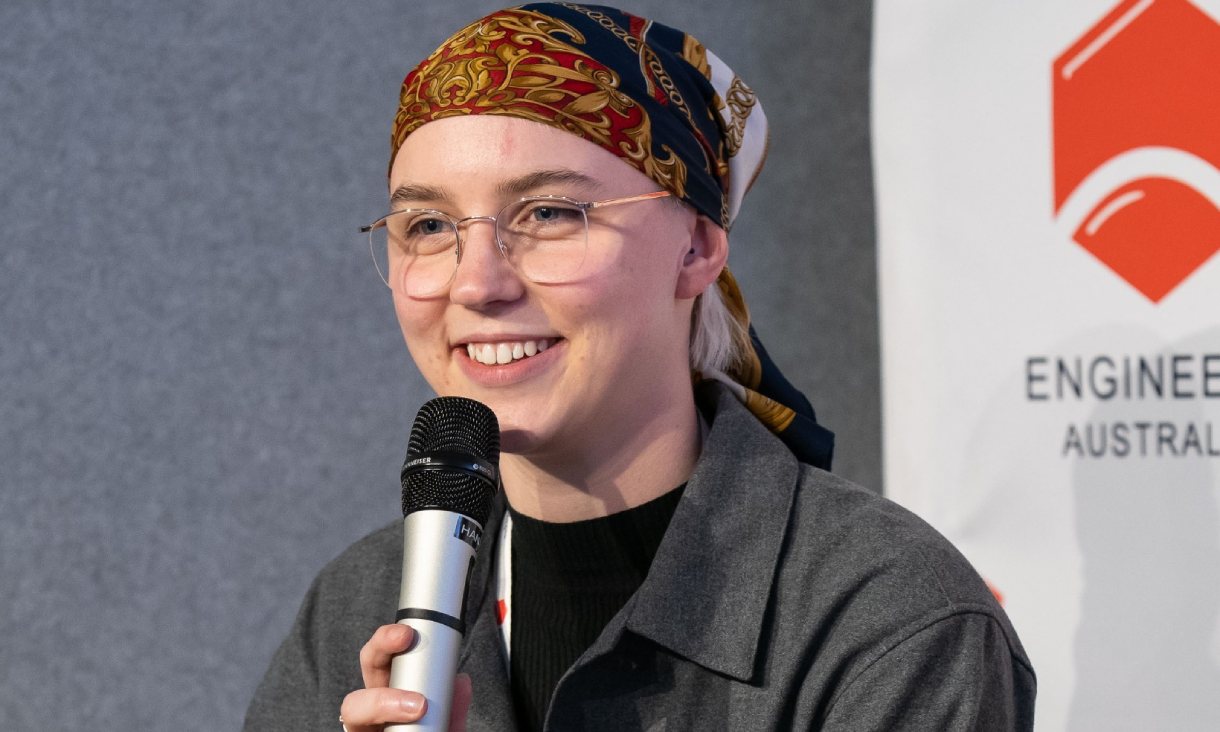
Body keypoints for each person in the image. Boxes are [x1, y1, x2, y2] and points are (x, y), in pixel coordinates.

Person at [244, 4, 1036, 730]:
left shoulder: (883, 620)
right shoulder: (358, 609)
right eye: (426, 224)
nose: (476, 282)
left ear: (696, 248)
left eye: (549, 213)